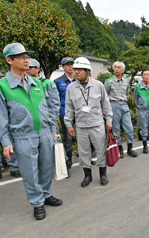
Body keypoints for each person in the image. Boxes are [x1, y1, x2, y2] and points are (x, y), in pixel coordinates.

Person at [0, 43, 63, 220]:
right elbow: (0, 118)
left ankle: (46, 194)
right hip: (23, 137)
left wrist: (52, 129)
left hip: (45, 133)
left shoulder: (37, 83)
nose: (26, 60)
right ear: (9, 60)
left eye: (26, 56)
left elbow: (47, 109)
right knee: (30, 172)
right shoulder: (0, 87)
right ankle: (37, 202)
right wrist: (6, 141)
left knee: (46, 168)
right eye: (21, 57)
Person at [64, 57, 113, 187]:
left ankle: (103, 174)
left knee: (100, 150)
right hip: (81, 126)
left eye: (80, 69)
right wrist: (68, 124)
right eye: (75, 69)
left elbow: (106, 104)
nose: (76, 72)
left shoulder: (98, 85)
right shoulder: (71, 88)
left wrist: (108, 120)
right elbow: (68, 107)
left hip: (97, 124)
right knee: (84, 151)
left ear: (88, 71)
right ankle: (87, 176)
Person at [104, 61, 138, 158]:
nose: (117, 69)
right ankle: (120, 150)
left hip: (124, 105)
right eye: (115, 67)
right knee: (116, 129)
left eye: (119, 67)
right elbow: (105, 96)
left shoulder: (126, 80)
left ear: (122, 70)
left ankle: (130, 148)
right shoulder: (109, 81)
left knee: (130, 128)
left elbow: (127, 93)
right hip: (114, 105)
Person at [55, 57, 75, 173]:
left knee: (84, 135)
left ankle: (85, 158)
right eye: (67, 64)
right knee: (68, 139)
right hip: (65, 113)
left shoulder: (79, 80)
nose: (70, 66)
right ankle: (68, 162)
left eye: (72, 64)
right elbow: (55, 99)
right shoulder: (58, 81)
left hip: (79, 112)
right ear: (63, 67)